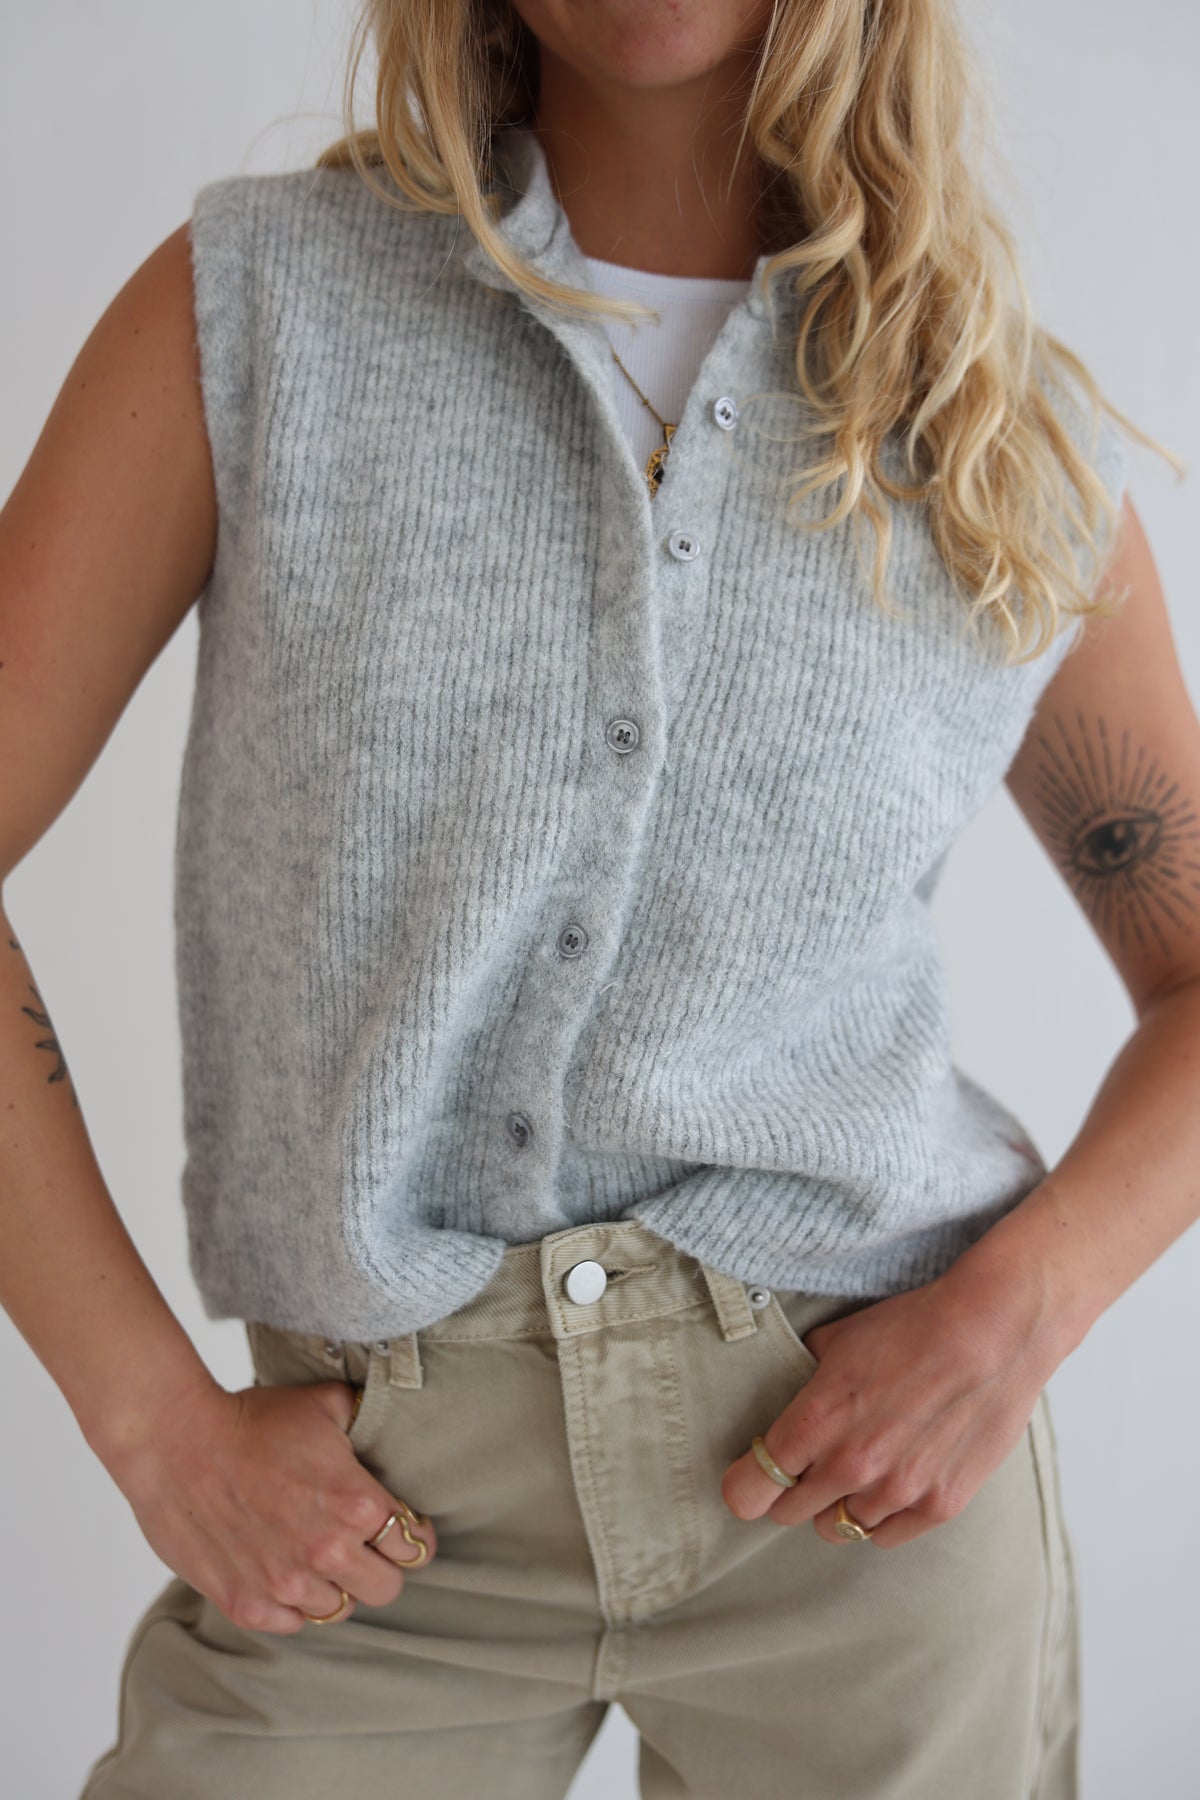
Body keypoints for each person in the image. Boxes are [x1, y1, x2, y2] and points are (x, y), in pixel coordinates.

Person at [1, 1, 1194, 1796]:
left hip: (860, 1506)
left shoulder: (991, 426)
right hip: (366, 1522)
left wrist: (1023, 1307)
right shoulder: (263, 312)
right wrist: (148, 1417)